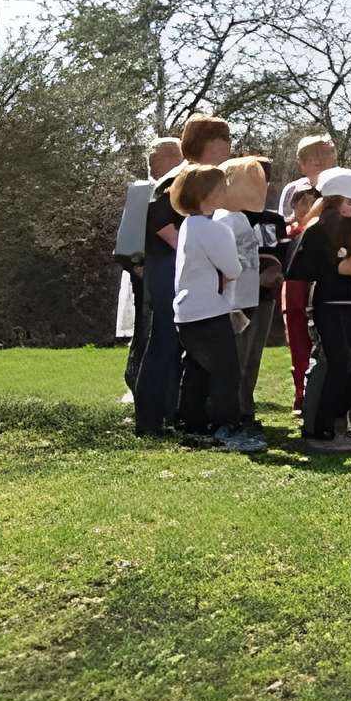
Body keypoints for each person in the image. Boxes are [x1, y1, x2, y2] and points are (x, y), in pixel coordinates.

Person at [135, 115, 232, 435]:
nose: (229, 147)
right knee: (163, 342)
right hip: (169, 272)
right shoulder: (180, 176)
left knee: (186, 351)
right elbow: (159, 220)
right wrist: (196, 252)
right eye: (224, 139)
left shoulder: (203, 176)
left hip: (186, 274)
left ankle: (180, 415)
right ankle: (149, 421)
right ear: (207, 142)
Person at [168, 161, 260, 451]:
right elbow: (233, 269)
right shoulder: (214, 229)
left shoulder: (187, 225)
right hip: (210, 309)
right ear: (206, 193)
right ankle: (226, 427)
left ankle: (193, 424)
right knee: (226, 371)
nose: (225, 191)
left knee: (197, 368)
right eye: (220, 187)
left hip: (186, 310)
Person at [287, 167, 351, 454]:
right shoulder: (318, 229)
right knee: (336, 363)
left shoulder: (349, 226)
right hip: (328, 303)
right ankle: (322, 428)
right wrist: (350, 260)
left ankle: (336, 413)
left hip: (347, 302)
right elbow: (346, 266)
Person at [114, 138, 177, 405]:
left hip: (175, 272)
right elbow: (127, 239)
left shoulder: (183, 189)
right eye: (149, 157)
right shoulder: (142, 191)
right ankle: (140, 387)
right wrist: (136, 267)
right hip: (146, 274)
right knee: (145, 331)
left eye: (157, 156)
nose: (151, 161)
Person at [279, 136, 337, 408]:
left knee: (328, 336)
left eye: (330, 154)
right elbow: (286, 226)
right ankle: (302, 395)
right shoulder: (294, 189)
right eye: (318, 157)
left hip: (330, 275)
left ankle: (326, 395)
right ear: (306, 162)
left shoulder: (340, 189)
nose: (326, 161)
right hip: (296, 276)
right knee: (299, 333)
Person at [222, 155, 279, 417]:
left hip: (260, 298)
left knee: (252, 356)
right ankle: (231, 411)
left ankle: (245, 407)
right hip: (234, 300)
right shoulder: (226, 219)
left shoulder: (266, 219)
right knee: (235, 357)